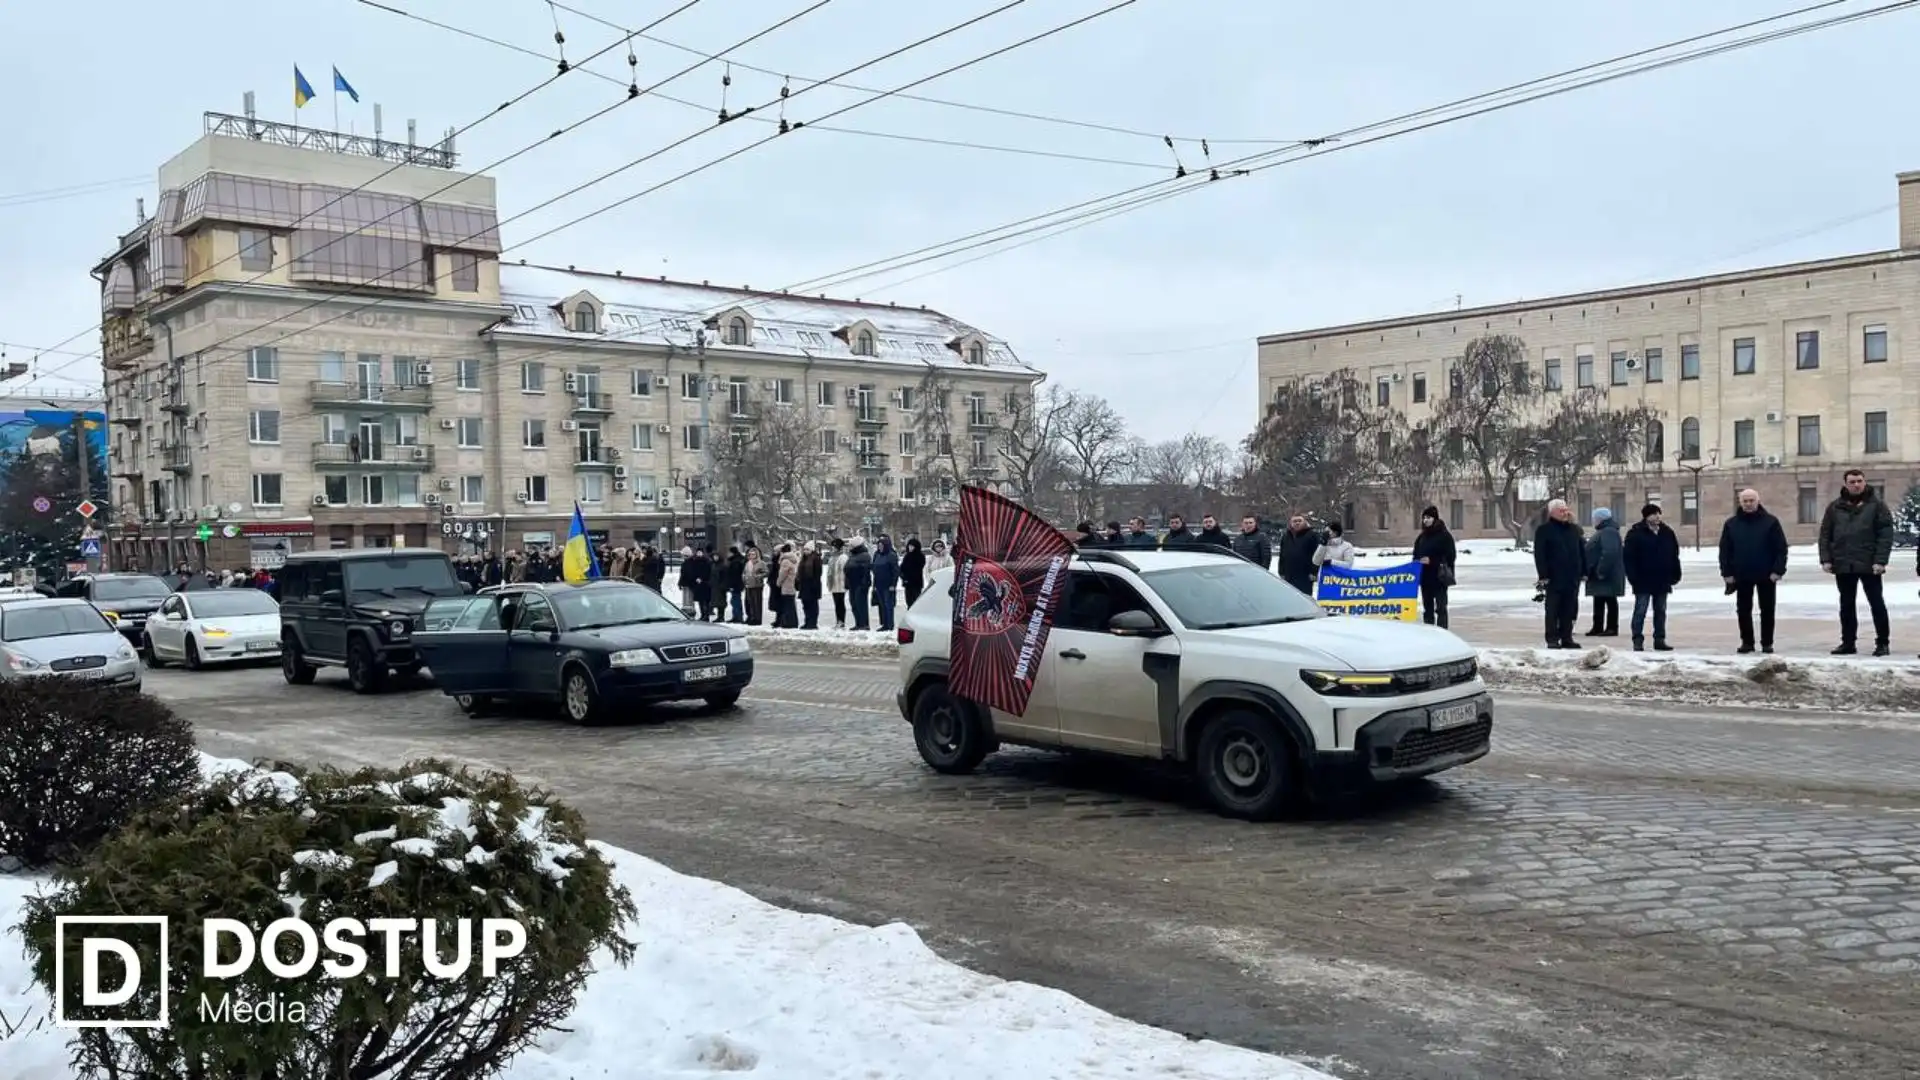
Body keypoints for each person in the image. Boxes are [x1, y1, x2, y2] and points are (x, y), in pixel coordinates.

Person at [1818, 468, 1894, 656]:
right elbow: (1825, 534)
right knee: (1846, 605)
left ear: (1864, 482)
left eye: (1859, 481)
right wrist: (1826, 559)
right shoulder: (1835, 507)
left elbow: (1885, 535)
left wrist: (1880, 561)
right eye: (1852, 481)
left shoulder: (1877, 506)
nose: (1856, 484)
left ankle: (1882, 643)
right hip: (1843, 563)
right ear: (1845, 484)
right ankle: (1848, 643)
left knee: (1876, 603)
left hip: (1869, 564)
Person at [1718, 488, 1789, 654]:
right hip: (1741, 574)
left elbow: (1781, 548)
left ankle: (1767, 643)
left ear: (1758, 501)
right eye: (1745, 501)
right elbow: (1725, 550)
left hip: (1767, 574)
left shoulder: (1771, 522)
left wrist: (1778, 570)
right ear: (1740, 502)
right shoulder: (1731, 524)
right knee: (1743, 610)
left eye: (1751, 500)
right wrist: (1726, 572)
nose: (1748, 504)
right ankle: (1747, 642)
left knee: (1767, 609)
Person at [1622, 503, 1680, 651]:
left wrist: (1675, 572)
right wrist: (1633, 576)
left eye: (1658, 513)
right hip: (1643, 579)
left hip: (1662, 578)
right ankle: (1637, 639)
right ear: (1646, 516)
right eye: (1654, 514)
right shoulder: (1636, 533)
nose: (1657, 516)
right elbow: (1629, 557)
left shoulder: (1667, 532)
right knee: (1641, 609)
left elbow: (1674, 554)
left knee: (1660, 610)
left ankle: (1659, 639)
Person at [1533, 499, 1586, 649]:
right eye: (1561, 510)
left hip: (1572, 576)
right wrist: (1543, 575)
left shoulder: (1574, 529)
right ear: (1552, 512)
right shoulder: (1544, 530)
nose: (1565, 513)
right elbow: (1540, 554)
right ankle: (1552, 638)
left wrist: (1584, 571)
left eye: (1566, 510)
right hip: (1554, 577)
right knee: (1553, 609)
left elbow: (1582, 551)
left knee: (1569, 609)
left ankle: (1566, 637)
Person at [1583, 508, 1625, 638]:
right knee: (1599, 599)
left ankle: (1612, 627)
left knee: (1610, 600)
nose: (1593, 521)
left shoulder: (1609, 532)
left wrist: (1601, 570)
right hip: (1600, 574)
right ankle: (1598, 626)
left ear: (1600, 519)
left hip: (1607, 574)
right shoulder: (1604, 531)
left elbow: (1609, 552)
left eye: (1595, 518)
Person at [1411, 506, 1456, 629]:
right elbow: (1415, 554)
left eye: (1428, 517)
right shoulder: (1421, 538)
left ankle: (1443, 632)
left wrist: (1432, 561)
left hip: (1440, 578)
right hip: (1425, 579)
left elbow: (1450, 556)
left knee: (1441, 608)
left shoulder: (1444, 536)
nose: (1425, 520)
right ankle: (1430, 633)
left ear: (1434, 519)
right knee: (1428, 609)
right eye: (1424, 518)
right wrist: (1417, 562)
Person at [1275, 514, 1323, 595]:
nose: (1297, 523)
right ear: (1290, 523)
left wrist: (1314, 572)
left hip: (1305, 575)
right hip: (1289, 574)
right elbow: (1282, 555)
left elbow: (1317, 555)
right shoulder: (1286, 536)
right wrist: (1281, 571)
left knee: (1304, 597)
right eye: (1295, 521)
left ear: (1304, 522)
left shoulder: (1312, 535)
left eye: (1299, 521)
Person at [843, 536, 873, 631]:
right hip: (853, 583)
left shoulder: (864, 555)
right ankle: (858, 623)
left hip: (860, 583)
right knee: (854, 603)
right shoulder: (853, 555)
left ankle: (864, 624)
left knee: (861, 604)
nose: (849, 547)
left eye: (851, 545)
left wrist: (864, 583)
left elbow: (865, 570)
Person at [872, 535, 901, 631]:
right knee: (882, 605)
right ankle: (884, 624)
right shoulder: (877, 555)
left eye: (881, 545)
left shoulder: (891, 555)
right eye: (878, 545)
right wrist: (874, 585)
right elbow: (874, 570)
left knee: (888, 605)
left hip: (888, 585)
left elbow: (896, 571)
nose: (880, 547)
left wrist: (893, 584)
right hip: (879, 584)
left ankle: (889, 625)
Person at [797, 542, 824, 630]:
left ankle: (813, 623)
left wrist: (814, 584)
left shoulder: (816, 558)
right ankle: (807, 621)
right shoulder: (803, 559)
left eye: (807, 549)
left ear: (812, 550)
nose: (805, 551)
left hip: (812, 584)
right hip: (804, 585)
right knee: (805, 604)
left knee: (812, 604)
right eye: (804, 549)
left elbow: (818, 573)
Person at [773, 543, 800, 629]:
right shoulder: (793, 559)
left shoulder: (785, 561)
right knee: (791, 605)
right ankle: (793, 622)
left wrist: (778, 582)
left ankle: (789, 622)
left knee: (787, 605)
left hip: (786, 585)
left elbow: (782, 574)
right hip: (791, 585)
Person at [680, 547, 711, 620]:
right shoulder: (695, 561)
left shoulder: (706, 561)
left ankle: (706, 615)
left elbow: (707, 572)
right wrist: (696, 578)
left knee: (705, 601)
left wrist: (701, 578)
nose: (699, 554)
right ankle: (703, 614)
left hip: (705, 583)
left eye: (700, 552)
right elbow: (692, 571)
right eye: (698, 552)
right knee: (700, 601)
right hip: (697, 583)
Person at [742, 547, 768, 626]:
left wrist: (758, 576)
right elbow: (744, 572)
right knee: (749, 602)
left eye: (753, 554)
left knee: (757, 603)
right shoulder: (748, 563)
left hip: (757, 585)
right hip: (748, 585)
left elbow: (766, 572)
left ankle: (757, 619)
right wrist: (743, 577)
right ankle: (751, 617)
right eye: (750, 554)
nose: (752, 555)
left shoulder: (761, 563)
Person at [827, 538, 849, 629]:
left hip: (840, 583)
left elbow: (844, 570)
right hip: (833, 583)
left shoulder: (843, 557)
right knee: (836, 603)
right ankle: (838, 621)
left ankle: (842, 621)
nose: (833, 549)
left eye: (834, 547)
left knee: (840, 602)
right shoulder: (832, 557)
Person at [900, 538, 928, 607]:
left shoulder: (920, 556)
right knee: (909, 601)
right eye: (909, 546)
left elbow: (918, 569)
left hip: (916, 583)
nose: (910, 548)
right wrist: (903, 576)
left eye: (912, 546)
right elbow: (902, 567)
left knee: (916, 602)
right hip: (907, 583)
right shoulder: (907, 556)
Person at [723, 546, 747, 623]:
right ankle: (736, 616)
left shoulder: (735, 562)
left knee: (736, 601)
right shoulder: (737, 560)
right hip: (737, 584)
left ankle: (738, 617)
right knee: (734, 600)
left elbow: (734, 575)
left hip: (736, 585)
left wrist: (732, 585)